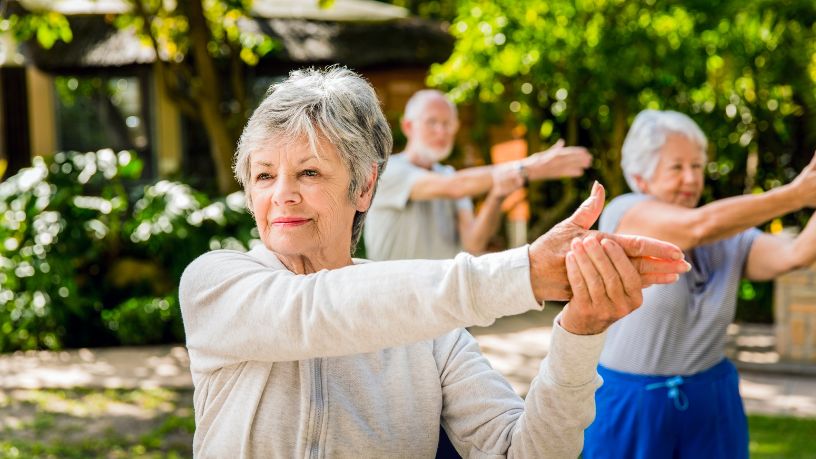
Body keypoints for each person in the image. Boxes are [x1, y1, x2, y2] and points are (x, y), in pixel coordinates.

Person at [179, 68, 689, 458]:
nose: (282, 195)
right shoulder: (214, 283)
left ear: (363, 186)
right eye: (264, 176)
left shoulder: (435, 337)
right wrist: (526, 273)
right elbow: (315, 311)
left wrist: (579, 332)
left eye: (309, 172)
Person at [582, 109, 816, 459]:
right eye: (677, 167)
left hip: (712, 398)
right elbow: (697, 227)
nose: (691, 178)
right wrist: (795, 195)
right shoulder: (624, 214)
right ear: (641, 177)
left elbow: (796, 254)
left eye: (697, 166)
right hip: (630, 402)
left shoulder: (730, 237)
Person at [364, 89, 592, 261]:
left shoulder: (449, 174)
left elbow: (473, 243)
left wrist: (497, 196)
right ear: (408, 126)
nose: (441, 131)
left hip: (441, 308)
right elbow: (455, 186)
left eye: (447, 124)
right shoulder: (389, 170)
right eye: (432, 122)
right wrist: (529, 167)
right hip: (395, 303)